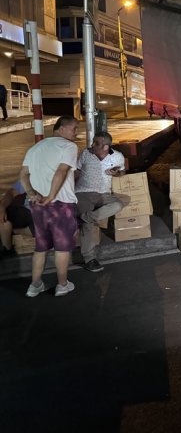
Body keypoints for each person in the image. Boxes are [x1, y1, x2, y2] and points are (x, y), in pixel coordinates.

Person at [20, 115, 79, 297]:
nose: (76, 133)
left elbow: (23, 174)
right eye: (74, 129)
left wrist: (31, 193)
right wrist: (51, 196)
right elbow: (61, 171)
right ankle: (62, 285)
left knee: (41, 246)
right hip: (60, 205)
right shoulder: (68, 146)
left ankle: (35, 285)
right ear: (62, 129)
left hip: (37, 205)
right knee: (62, 247)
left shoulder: (35, 148)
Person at [75, 131, 126, 272]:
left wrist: (116, 173)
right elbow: (76, 171)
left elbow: (123, 172)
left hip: (104, 194)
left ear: (106, 147)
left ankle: (86, 217)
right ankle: (89, 259)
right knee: (88, 226)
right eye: (93, 141)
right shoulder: (86, 153)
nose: (92, 145)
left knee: (118, 204)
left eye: (96, 143)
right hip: (83, 193)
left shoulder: (117, 157)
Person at [0, 180, 35, 253]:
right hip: (26, 210)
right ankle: (7, 251)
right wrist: (2, 207)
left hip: (44, 215)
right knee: (4, 221)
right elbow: (11, 192)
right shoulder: (30, 176)